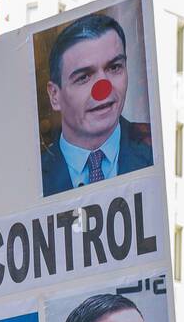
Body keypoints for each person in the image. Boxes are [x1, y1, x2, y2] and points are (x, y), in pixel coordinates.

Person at [40, 12, 153, 198]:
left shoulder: (155, 146)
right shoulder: (33, 178)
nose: (103, 89)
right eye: (83, 77)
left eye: (114, 67)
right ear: (54, 95)